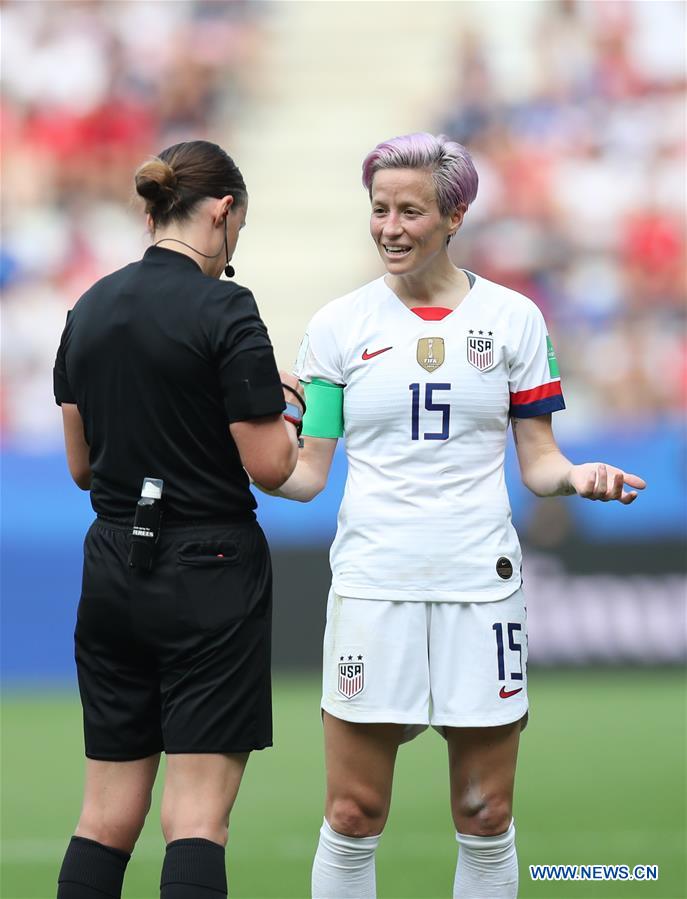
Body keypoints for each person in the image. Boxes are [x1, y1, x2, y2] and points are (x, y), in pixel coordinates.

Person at [260, 132, 646, 899]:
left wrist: (577, 476)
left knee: (484, 811)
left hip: (480, 584)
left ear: (454, 215)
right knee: (353, 811)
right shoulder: (337, 327)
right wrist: (245, 451)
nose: (389, 227)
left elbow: (538, 461)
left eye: (409, 210)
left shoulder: (514, 320)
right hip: (374, 585)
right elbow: (307, 474)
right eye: (378, 209)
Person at [52, 140, 305, 899]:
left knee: (103, 818)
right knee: (195, 817)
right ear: (223, 211)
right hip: (209, 570)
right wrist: (303, 414)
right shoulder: (226, 306)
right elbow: (272, 465)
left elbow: (81, 466)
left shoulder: (88, 307)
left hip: (112, 564)